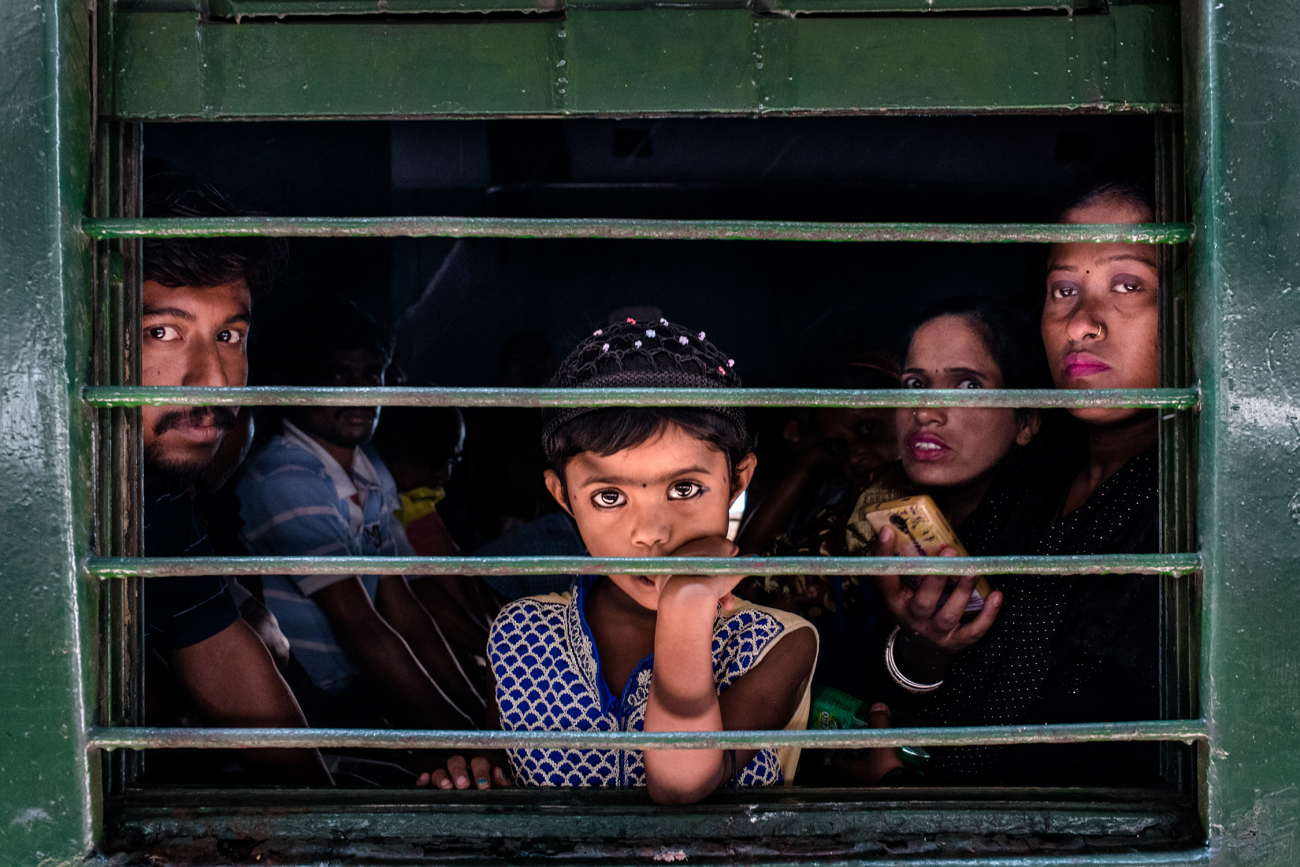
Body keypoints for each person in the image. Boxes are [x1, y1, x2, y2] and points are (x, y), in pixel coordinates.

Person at [437, 319, 819, 802]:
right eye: (609, 497)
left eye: (685, 489)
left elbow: (682, 783)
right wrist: (478, 767)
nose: (650, 533)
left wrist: (686, 605)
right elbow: (505, 755)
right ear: (563, 497)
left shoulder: (775, 643)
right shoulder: (522, 632)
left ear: (738, 482)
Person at [875, 181, 1162, 785]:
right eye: (1064, 290)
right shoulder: (1032, 483)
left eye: (1128, 286)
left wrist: (900, 791)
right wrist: (926, 649)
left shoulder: (1186, 502)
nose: (1081, 325)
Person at [139, 170, 332, 785]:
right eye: (162, 332)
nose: (216, 379)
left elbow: (217, 649)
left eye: (229, 336)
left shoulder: (152, 490)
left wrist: (324, 821)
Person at [237, 297, 485, 732]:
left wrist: (479, 715)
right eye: (337, 376)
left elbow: (405, 611)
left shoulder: (366, 473)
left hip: (356, 687)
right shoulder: (286, 477)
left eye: (372, 375)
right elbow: (360, 626)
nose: (358, 391)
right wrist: (467, 736)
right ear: (297, 383)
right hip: (308, 703)